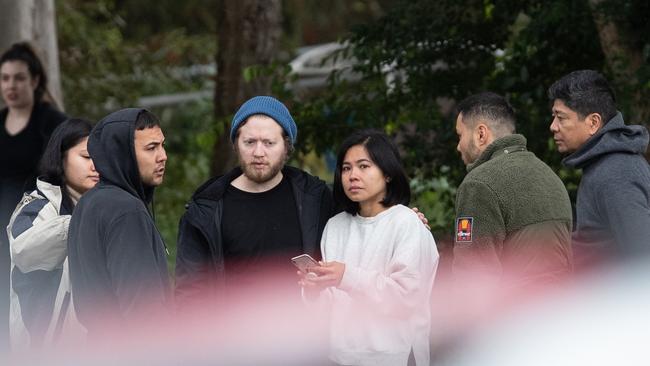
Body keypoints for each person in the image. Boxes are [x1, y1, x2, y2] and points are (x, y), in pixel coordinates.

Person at [175, 96, 334, 307]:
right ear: (236, 145)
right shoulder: (206, 211)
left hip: (303, 334)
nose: (259, 153)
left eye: (269, 143)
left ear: (286, 147)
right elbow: (190, 293)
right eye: (250, 142)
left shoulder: (316, 199)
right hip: (233, 336)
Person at [298, 129, 438, 366]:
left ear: (388, 174)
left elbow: (406, 299)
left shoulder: (407, 223)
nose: (353, 175)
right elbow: (329, 308)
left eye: (364, 166)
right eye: (346, 168)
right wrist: (313, 291)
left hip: (396, 357)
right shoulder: (335, 226)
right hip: (340, 358)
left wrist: (346, 276)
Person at [67, 108, 171, 337]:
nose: (163, 156)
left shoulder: (89, 202)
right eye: (151, 148)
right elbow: (144, 313)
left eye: (162, 145)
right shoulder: (126, 211)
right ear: (122, 154)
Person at [453, 92, 573, 288]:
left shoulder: (478, 184)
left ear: (480, 134)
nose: (458, 147)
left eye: (460, 136)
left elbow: (472, 276)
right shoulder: (550, 176)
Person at [7, 119, 95, 350]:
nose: (96, 165)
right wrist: (77, 224)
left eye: (101, 157)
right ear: (60, 157)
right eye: (86, 157)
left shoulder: (94, 208)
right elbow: (23, 249)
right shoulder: (37, 206)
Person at [0, 42, 67, 349]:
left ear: (35, 80)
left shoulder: (51, 123)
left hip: (31, 227)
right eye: (5, 78)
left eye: (18, 78)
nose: (10, 86)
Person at [548, 70, 650, 266]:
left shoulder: (616, 172)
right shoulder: (604, 165)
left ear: (593, 123)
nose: (553, 126)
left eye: (561, 117)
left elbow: (643, 258)